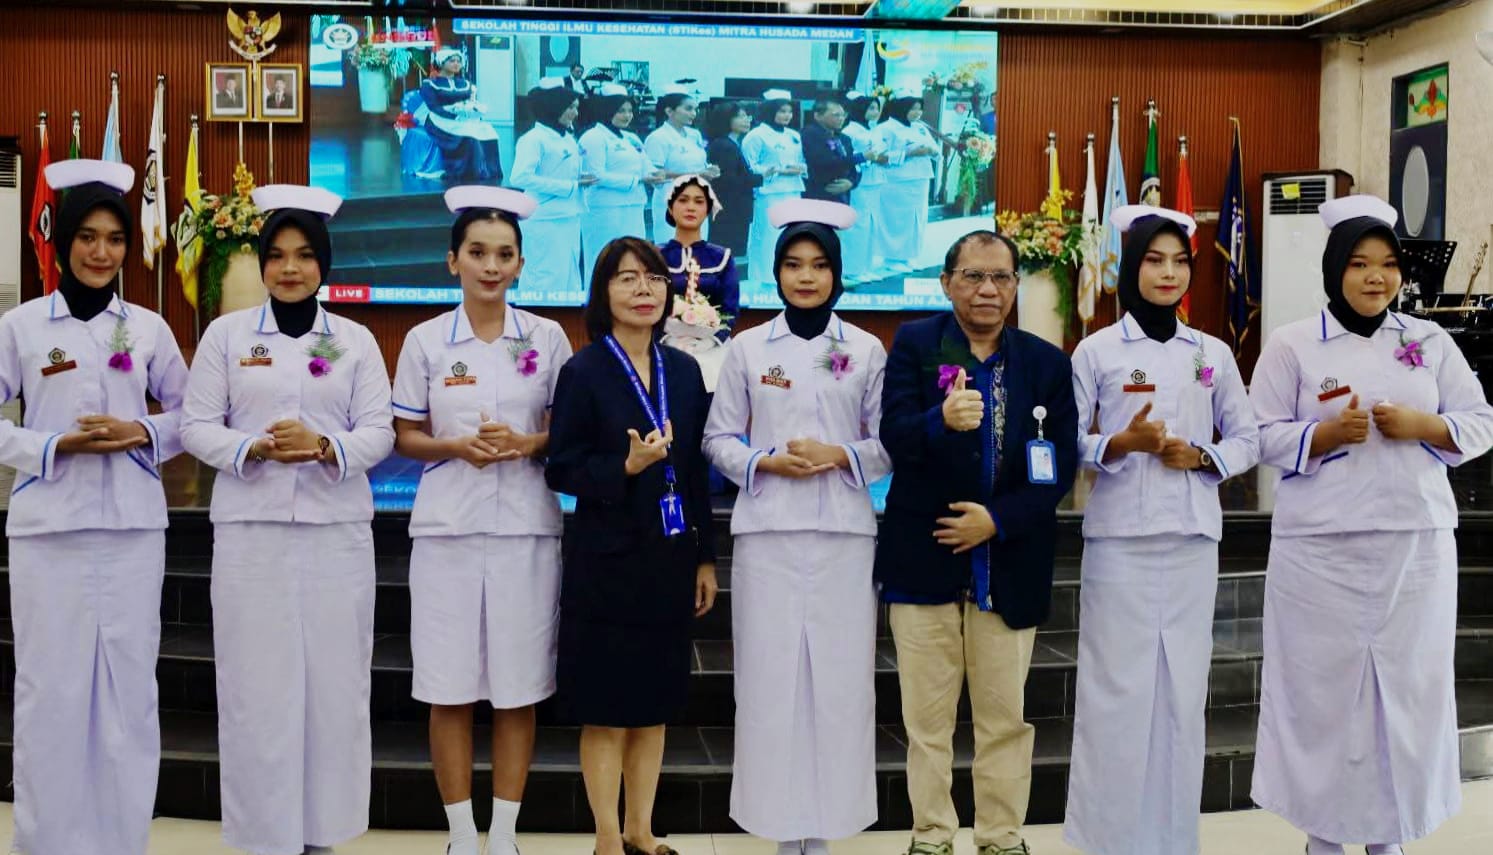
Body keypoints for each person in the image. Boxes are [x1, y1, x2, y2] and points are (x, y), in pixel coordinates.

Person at [1248, 195, 1493, 855]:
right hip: (1319, 555)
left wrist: (1425, 426)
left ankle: (1389, 835)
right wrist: (1322, 435)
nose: (1375, 277)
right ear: (1335, 269)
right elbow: (1257, 434)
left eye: (1386, 264)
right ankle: (1324, 838)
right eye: (1358, 263)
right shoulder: (1291, 344)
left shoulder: (1428, 341)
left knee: (1403, 698)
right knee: (1323, 699)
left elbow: (1480, 422)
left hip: (1413, 552)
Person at [181, 184, 395, 855]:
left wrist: (325, 445)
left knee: (334, 687)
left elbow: (380, 432)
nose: (290, 268)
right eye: (276, 255)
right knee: (256, 688)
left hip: (336, 538)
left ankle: (322, 834)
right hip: (252, 537)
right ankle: (264, 835)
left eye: (304, 255)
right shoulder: (227, 335)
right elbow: (194, 425)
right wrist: (253, 448)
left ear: (323, 263)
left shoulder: (355, 340)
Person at [0, 159, 188, 855]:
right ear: (62, 241)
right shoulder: (21, 326)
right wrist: (50, 446)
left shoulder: (147, 328)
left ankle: (119, 840)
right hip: (48, 532)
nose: (101, 252)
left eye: (114, 239)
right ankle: (45, 841)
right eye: (87, 237)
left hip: (133, 530)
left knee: (128, 692)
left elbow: (194, 415)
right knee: (49, 691)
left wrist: (140, 431)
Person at [1063, 205, 1260, 855]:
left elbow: (1248, 437)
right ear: (1131, 267)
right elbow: (1064, 439)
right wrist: (1119, 443)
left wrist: (1202, 456)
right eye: (1154, 259)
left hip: (1191, 540)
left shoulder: (1211, 352)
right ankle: (1107, 840)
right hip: (1119, 541)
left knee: (1180, 694)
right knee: (1114, 694)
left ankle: (1172, 840)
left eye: (1179, 261)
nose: (1168, 272)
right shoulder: (1096, 350)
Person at [876, 230, 1078, 855]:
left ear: (1015, 285)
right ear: (946, 282)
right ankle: (931, 836)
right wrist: (939, 420)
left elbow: (1058, 467)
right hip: (923, 561)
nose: (987, 289)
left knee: (1004, 721)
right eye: (972, 276)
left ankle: (1000, 837)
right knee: (926, 722)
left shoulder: (1045, 363)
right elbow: (893, 437)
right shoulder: (915, 345)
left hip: (1009, 563)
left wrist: (997, 520)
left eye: (1000, 277)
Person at [391, 186, 574, 855]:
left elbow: (565, 431)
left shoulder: (547, 338)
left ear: (520, 264)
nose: (490, 266)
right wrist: (454, 447)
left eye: (503, 254)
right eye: (476, 253)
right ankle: (461, 835)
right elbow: (405, 435)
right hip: (448, 531)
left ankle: (504, 835)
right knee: (448, 687)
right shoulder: (425, 341)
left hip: (526, 529)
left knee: (518, 688)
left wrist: (528, 443)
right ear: (453, 261)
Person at [704, 198, 890, 855]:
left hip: (843, 535)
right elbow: (717, 438)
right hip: (768, 535)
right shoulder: (749, 347)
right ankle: (781, 827)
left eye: (818, 265)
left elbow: (887, 442)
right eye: (792, 264)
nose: (805, 276)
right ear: (777, 272)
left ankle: (826, 827)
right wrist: (765, 462)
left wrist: (839, 456)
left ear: (836, 273)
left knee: (840, 684)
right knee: (769, 679)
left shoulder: (865, 348)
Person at [545, 236, 718, 855]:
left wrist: (705, 556)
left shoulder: (686, 372)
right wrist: (624, 466)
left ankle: (641, 831)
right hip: (606, 559)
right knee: (606, 706)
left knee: (653, 702)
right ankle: (606, 838)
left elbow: (694, 472)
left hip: (669, 557)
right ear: (604, 293)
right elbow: (561, 467)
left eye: (653, 278)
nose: (643, 290)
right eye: (626, 279)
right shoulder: (584, 371)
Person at [511, 79, 595, 296]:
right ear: (554, 107)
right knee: (545, 277)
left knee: (570, 277)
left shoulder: (568, 138)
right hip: (544, 219)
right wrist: (568, 186)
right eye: (570, 107)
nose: (575, 113)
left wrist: (579, 180)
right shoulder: (533, 139)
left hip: (570, 215)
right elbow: (519, 177)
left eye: (576, 107)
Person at [580, 83, 667, 285]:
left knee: (634, 260)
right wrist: (636, 180)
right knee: (603, 261)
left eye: (629, 111)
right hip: (605, 210)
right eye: (621, 111)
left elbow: (646, 165)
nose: (627, 116)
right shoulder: (593, 137)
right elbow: (595, 175)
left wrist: (655, 175)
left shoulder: (632, 138)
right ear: (606, 110)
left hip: (634, 207)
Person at [658, 176, 739, 391]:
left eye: (699, 201)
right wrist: (666, 338)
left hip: (713, 351)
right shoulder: (654, 256)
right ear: (670, 207)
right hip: (663, 347)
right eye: (683, 200)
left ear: (708, 209)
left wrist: (711, 341)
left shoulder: (722, 257)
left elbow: (730, 309)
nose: (691, 207)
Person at [742, 90, 806, 285]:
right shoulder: (756, 135)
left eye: (789, 111)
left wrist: (800, 168)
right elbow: (748, 166)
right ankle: (763, 278)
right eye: (782, 111)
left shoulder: (794, 135)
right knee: (767, 237)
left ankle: (785, 275)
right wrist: (777, 171)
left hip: (793, 190)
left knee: (790, 236)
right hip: (769, 193)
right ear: (770, 111)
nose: (787, 116)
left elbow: (802, 162)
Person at [644, 88, 720, 242]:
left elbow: (699, 162)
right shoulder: (658, 138)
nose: (694, 113)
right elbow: (654, 175)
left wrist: (710, 169)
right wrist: (696, 174)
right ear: (669, 111)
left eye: (695, 109)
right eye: (688, 109)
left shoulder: (694, 134)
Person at [877, 95, 940, 274]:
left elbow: (935, 149)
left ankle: (908, 256)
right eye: (913, 108)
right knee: (897, 219)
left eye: (919, 109)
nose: (917, 112)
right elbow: (881, 156)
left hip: (921, 179)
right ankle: (891, 257)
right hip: (898, 181)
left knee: (916, 219)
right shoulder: (886, 128)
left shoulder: (920, 128)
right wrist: (909, 153)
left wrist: (931, 151)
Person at [419, 49, 502, 183]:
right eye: (452, 61)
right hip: (439, 120)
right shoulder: (430, 84)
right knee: (470, 136)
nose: (456, 64)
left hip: (464, 118)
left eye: (458, 61)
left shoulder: (465, 83)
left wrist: (474, 113)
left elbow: (470, 103)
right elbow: (434, 107)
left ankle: (489, 171)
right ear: (441, 63)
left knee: (489, 132)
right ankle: (469, 171)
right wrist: (454, 117)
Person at [840, 93, 890, 286]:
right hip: (859, 183)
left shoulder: (874, 130)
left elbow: (883, 152)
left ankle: (866, 266)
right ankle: (852, 269)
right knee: (858, 225)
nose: (876, 112)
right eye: (871, 108)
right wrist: (868, 158)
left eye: (877, 108)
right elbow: (848, 157)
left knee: (871, 224)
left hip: (876, 181)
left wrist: (883, 158)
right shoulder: (850, 131)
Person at [704, 102, 761, 258]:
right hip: (729, 210)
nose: (747, 120)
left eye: (747, 116)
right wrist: (761, 177)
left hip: (734, 208)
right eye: (740, 116)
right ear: (726, 119)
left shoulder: (733, 143)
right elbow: (728, 180)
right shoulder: (724, 146)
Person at [801, 96, 862, 206]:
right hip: (817, 195)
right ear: (818, 116)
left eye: (843, 115)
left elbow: (856, 167)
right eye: (836, 115)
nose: (841, 118)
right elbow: (823, 163)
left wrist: (851, 182)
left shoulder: (845, 138)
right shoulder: (809, 134)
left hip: (842, 196)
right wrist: (861, 157)